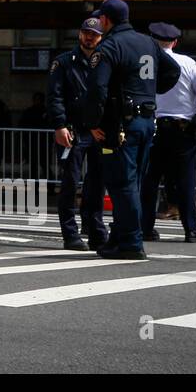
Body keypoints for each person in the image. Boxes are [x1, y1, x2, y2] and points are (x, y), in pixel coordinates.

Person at [82, 0, 181, 260]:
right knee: (133, 182)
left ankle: (130, 242)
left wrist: (92, 123)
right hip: (147, 121)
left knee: (121, 183)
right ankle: (119, 237)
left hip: (120, 124)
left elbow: (97, 89)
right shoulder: (147, 41)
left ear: (105, 20)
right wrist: (151, 92)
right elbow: (173, 70)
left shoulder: (111, 45)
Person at [143, 22, 196, 244]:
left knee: (149, 180)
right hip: (182, 130)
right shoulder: (188, 63)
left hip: (152, 127)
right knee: (185, 181)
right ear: (174, 41)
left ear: (152, 39)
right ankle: (191, 230)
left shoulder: (143, 63)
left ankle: (145, 227)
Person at [45, 17, 109, 252]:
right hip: (73, 130)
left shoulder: (105, 60)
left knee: (97, 183)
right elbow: (55, 96)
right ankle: (70, 233)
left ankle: (95, 230)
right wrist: (59, 125)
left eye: (95, 33)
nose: (90, 37)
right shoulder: (63, 63)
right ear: (80, 34)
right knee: (70, 182)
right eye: (86, 32)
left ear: (101, 37)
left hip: (98, 131)